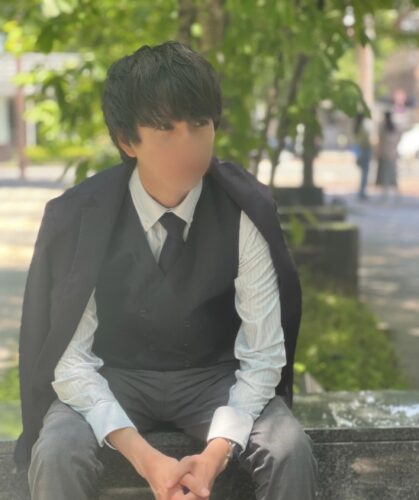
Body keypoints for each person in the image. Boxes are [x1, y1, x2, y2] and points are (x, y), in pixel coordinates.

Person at [16, 41, 318, 500]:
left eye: (199, 124)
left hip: (213, 376)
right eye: (164, 128)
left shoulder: (243, 208)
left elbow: (263, 357)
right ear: (126, 141)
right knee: (57, 449)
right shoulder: (80, 216)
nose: (188, 144)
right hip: (112, 374)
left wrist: (214, 455)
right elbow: (72, 361)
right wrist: (147, 459)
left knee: (288, 448)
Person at [375, 110, 402, 202]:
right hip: (392, 154)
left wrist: (378, 152)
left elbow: (380, 141)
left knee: (385, 175)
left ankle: (386, 195)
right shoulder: (394, 127)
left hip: (385, 154)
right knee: (393, 174)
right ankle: (396, 195)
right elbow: (398, 138)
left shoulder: (383, 128)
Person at [353, 112, 372, 201]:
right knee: (365, 173)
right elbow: (365, 141)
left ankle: (362, 191)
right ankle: (362, 192)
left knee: (364, 173)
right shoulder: (361, 128)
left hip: (360, 151)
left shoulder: (357, 128)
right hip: (364, 150)